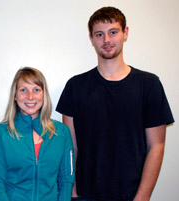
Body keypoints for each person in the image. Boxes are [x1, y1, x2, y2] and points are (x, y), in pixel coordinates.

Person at [56, 6, 174, 201]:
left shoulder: (149, 84)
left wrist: (142, 197)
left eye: (113, 32)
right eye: (99, 34)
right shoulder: (75, 86)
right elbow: (70, 146)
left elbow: (157, 145)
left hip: (131, 195)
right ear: (91, 38)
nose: (107, 40)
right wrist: (73, 191)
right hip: (85, 195)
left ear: (125, 33)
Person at [0, 67, 74, 201]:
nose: (30, 97)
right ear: (15, 96)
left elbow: (66, 180)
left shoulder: (61, 133)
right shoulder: (0, 134)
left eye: (36, 90)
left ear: (43, 95)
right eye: (23, 90)